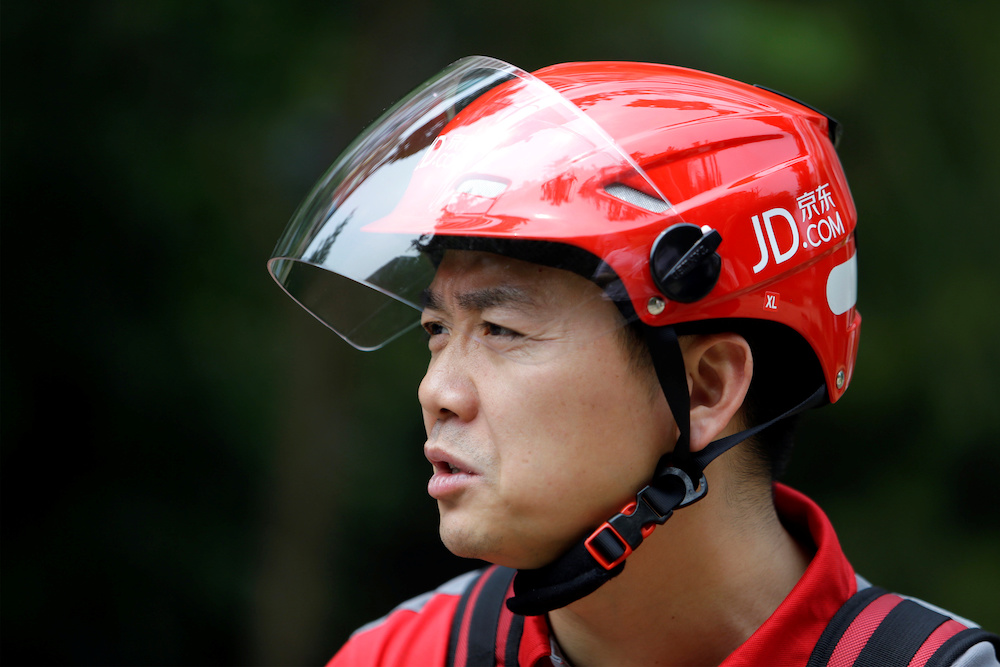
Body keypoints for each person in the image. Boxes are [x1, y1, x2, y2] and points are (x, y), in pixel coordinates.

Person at [268, 57, 998, 666]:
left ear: (707, 385)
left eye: (499, 329)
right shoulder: (407, 653)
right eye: (436, 328)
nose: (438, 390)